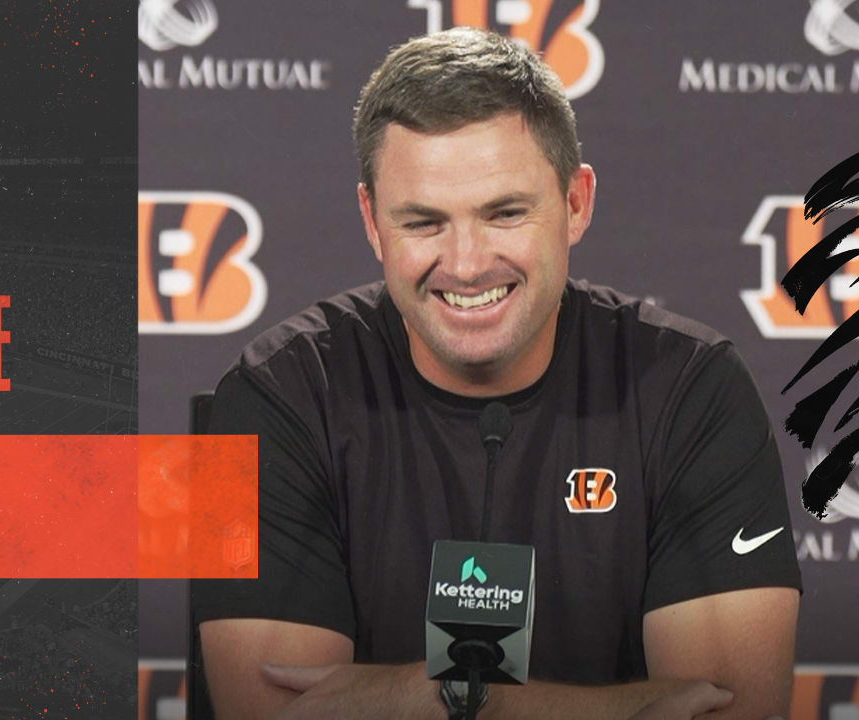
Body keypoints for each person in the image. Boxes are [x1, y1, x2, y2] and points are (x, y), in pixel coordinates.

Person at [191, 27, 801, 720]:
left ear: (575, 204)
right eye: (423, 222)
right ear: (370, 220)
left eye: (504, 213)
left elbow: (735, 713)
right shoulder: (269, 397)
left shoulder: (696, 392)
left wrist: (429, 697)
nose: (468, 262)